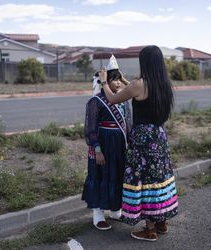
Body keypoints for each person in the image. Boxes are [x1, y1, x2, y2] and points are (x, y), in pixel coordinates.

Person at [99, 45, 178, 241]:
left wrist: (103, 82)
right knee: (159, 177)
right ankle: (161, 222)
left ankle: (149, 229)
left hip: (142, 139)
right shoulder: (164, 84)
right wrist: (125, 80)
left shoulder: (139, 85)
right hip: (158, 137)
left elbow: (113, 98)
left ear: (145, 62)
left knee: (144, 180)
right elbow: (135, 88)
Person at [82, 55, 131, 231]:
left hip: (119, 146)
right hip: (103, 145)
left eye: (119, 79)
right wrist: (97, 149)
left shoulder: (123, 100)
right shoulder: (96, 101)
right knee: (101, 175)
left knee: (117, 175)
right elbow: (90, 128)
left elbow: (128, 123)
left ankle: (116, 210)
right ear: (105, 81)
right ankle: (98, 214)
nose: (118, 83)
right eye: (113, 79)